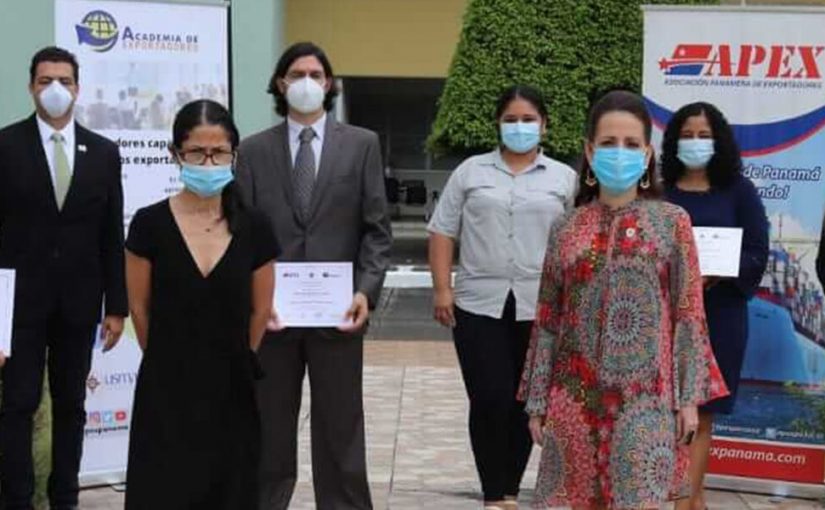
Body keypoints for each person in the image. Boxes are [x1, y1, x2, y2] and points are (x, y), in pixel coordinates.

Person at [519, 90, 729, 510]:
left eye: (632, 145)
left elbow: (689, 316)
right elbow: (548, 318)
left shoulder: (673, 224)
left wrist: (687, 399)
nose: (621, 154)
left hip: (646, 403)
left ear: (648, 154)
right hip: (573, 402)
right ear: (590, 151)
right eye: (610, 144)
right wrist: (537, 398)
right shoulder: (566, 227)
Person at [235, 42, 392, 510]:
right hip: (274, 319)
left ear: (329, 84)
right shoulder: (253, 150)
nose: (307, 81)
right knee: (268, 430)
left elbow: (376, 231)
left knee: (341, 430)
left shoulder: (361, 144)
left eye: (316, 73)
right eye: (296, 73)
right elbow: (242, 235)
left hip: (338, 316)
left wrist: (366, 291)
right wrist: (256, 302)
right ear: (281, 85)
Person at [427, 85, 577, 509]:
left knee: (524, 400)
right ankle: (493, 490)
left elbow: (578, 239)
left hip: (541, 305)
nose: (520, 127)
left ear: (544, 125)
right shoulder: (471, 172)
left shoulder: (563, 179)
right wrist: (442, 287)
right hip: (478, 302)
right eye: (511, 119)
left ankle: (510, 486)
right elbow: (443, 230)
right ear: (498, 124)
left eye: (528, 120)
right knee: (488, 396)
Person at [124, 99, 278, 509]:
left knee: (230, 488)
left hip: (232, 388)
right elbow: (139, 309)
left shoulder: (255, 226)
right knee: (165, 489)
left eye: (219, 152)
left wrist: (237, 356)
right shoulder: (148, 224)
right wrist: (168, 358)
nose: (208, 162)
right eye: (196, 152)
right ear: (175, 154)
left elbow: (260, 310)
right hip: (167, 389)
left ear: (234, 155)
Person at [0, 46, 127, 510]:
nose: (55, 89)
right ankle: (16, 498)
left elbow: (112, 232)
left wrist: (117, 305)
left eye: (64, 81)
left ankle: (64, 498)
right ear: (31, 85)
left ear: (78, 87)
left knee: (72, 406)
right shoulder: (6, 145)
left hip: (80, 303)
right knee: (17, 404)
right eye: (45, 80)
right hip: (18, 307)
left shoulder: (104, 152)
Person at [662, 102, 769, 510]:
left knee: (701, 414)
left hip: (721, 316)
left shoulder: (739, 191)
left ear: (719, 140)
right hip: (666, 317)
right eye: (687, 134)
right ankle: (693, 499)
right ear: (673, 142)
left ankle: (685, 502)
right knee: (666, 409)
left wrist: (719, 273)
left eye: (703, 134)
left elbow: (758, 251)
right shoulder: (659, 192)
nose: (695, 142)